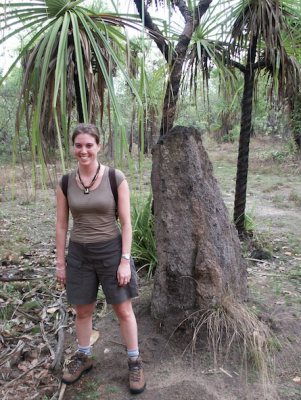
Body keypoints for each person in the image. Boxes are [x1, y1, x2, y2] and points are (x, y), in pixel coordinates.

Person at [56, 123, 146, 394]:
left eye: (89, 145)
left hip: (110, 251)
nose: (83, 150)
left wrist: (124, 260)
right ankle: (84, 356)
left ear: (98, 146)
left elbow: (127, 224)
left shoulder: (114, 177)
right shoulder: (65, 182)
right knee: (83, 310)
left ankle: (134, 361)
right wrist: (61, 263)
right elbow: (61, 226)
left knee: (123, 309)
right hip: (79, 253)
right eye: (78, 145)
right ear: (73, 147)